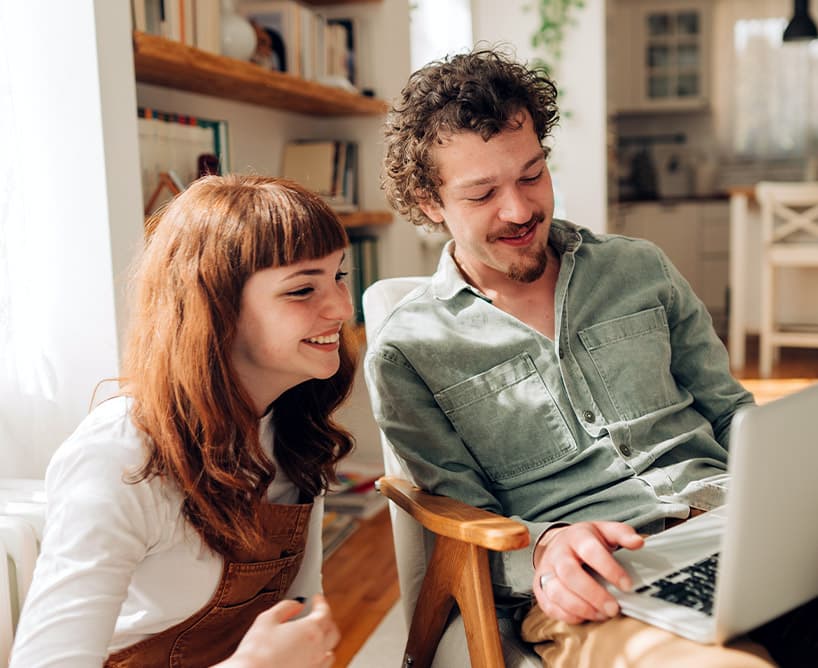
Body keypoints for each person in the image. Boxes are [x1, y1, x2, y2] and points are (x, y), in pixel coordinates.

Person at [365, 48, 813, 666]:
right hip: (598, 583)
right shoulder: (409, 350)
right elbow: (464, 518)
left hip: (734, 533)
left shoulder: (639, 268)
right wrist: (544, 549)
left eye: (531, 175)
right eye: (482, 194)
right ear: (429, 203)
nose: (520, 211)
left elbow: (731, 412)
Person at [11, 175, 355, 668]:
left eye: (339, 276)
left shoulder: (295, 429)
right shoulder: (120, 457)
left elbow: (298, 614)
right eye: (302, 289)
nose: (342, 307)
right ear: (217, 309)